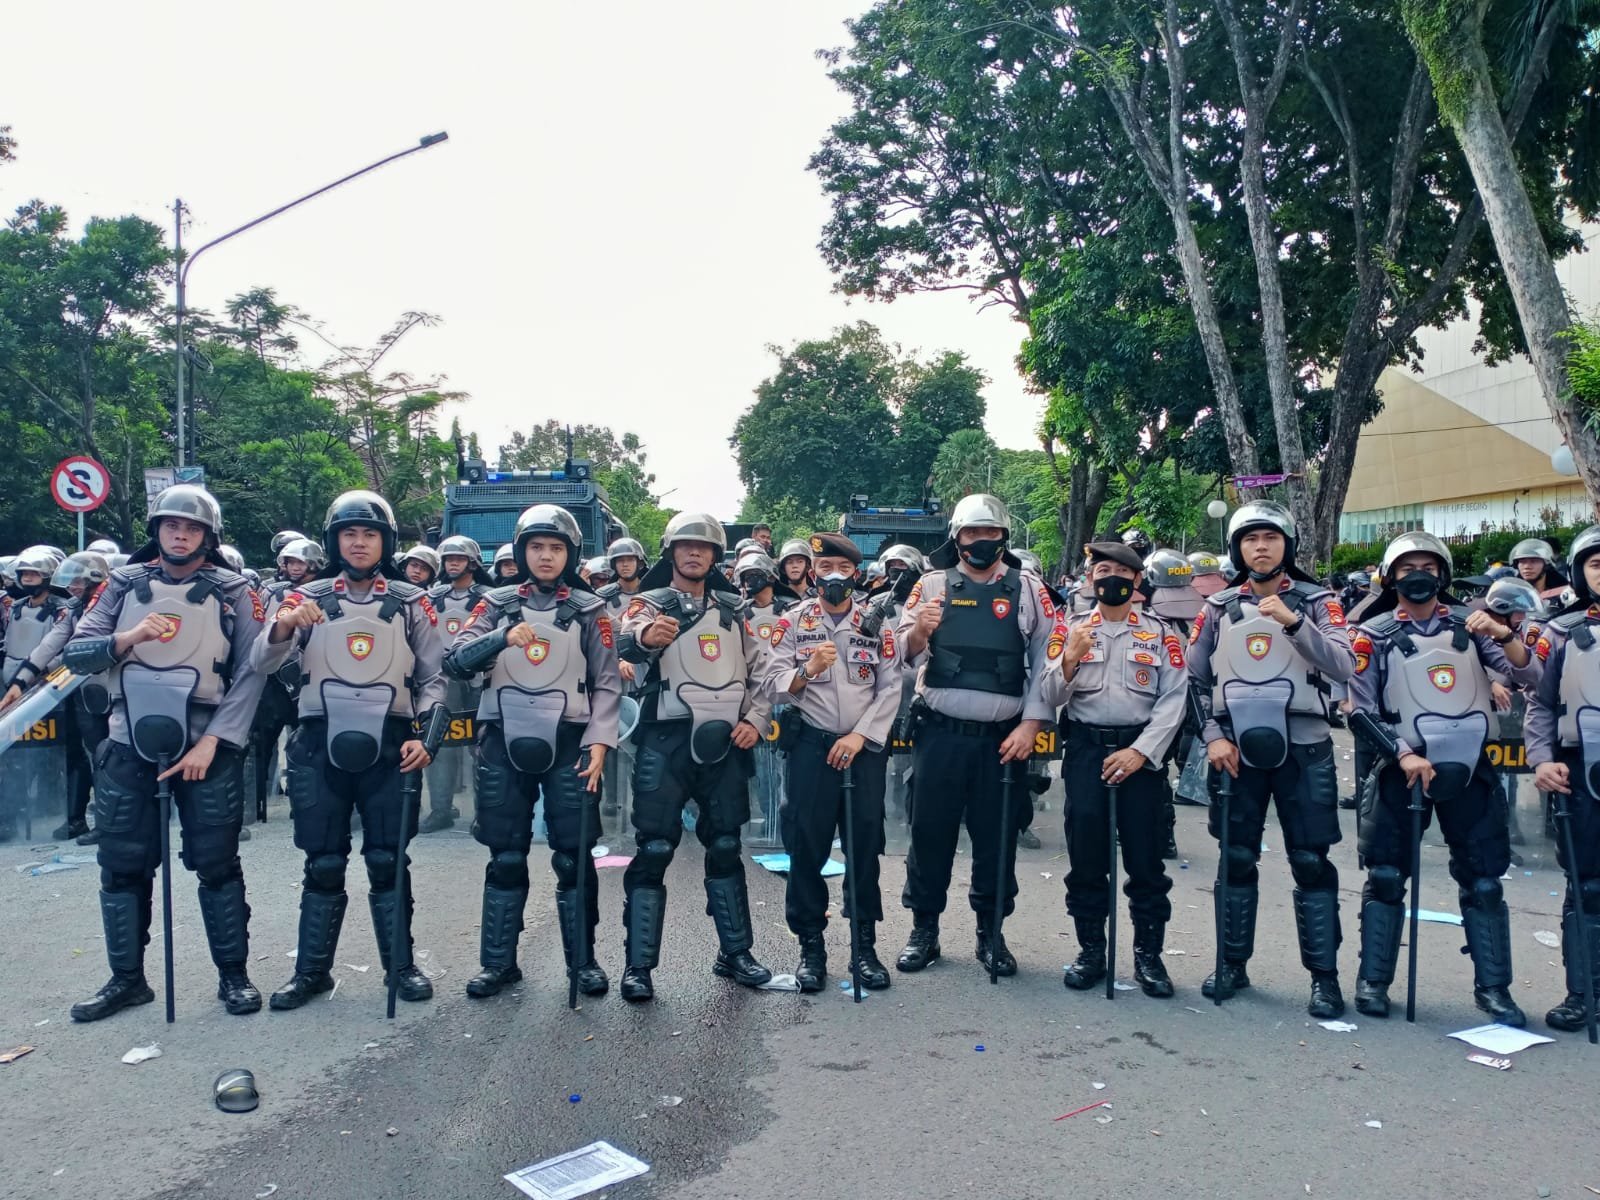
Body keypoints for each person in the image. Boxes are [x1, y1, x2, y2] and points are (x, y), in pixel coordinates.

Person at [61, 485, 267, 1021]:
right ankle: (127, 980)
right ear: (156, 530)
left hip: (206, 744)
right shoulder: (121, 584)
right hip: (129, 740)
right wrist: (127, 637)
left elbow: (253, 672)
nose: (181, 535)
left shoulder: (234, 590)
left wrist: (214, 741)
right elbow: (77, 653)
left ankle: (234, 975)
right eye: (172, 525)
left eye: (192, 527)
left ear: (208, 536)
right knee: (122, 865)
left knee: (217, 864)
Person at [257, 490, 448, 1011]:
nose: (359, 543)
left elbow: (433, 677)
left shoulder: (411, 601)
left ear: (385, 541)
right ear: (333, 540)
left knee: (387, 859)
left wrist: (426, 737)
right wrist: (284, 626)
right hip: (319, 742)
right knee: (323, 862)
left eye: (369, 534)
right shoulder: (305, 598)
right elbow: (261, 662)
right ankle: (311, 972)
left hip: (390, 741)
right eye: (349, 534)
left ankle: (401, 967)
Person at [1348, 531, 1538, 1024]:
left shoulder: (1471, 627)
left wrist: (1504, 635)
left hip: (1470, 767)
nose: (1418, 576)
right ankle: (1373, 981)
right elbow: (1358, 709)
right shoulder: (1374, 633)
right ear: (1390, 577)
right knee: (1386, 876)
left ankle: (1494, 989)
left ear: (1443, 575)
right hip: (1403, 770)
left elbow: (1529, 676)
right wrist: (1402, 754)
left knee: (1485, 882)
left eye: (1429, 568)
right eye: (1407, 568)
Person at [442, 505, 621, 998]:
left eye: (556, 548)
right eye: (537, 547)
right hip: (503, 739)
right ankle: (498, 964)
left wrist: (600, 741)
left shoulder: (590, 609)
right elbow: (455, 660)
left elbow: (608, 682)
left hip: (569, 742)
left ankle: (583, 963)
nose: (546, 556)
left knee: (573, 859)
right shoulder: (494, 604)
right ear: (521, 552)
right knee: (505, 857)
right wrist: (500, 638)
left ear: (570, 554)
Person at [1187, 501, 1355, 1018]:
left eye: (1271, 538)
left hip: (1304, 749)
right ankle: (1232, 963)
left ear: (1288, 545)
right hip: (1236, 749)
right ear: (1237, 548)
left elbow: (1344, 665)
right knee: (1237, 858)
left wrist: (1295, 622)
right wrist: (1212, 737)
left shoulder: (1319, 602)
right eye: (1250, 539)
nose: (1260, 547)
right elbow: (1193, 680)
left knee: (1311, 861)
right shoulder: (1217, 608)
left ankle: (1324, 978)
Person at [893, 494, 1058, 979]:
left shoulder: (1029, 589)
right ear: (957, 537)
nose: (981, 541)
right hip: (939, 734)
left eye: (991, 533)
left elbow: (1048, 658)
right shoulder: (931, 584)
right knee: (929, 834)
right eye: (972, 532)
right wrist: (919, 634)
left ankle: (991, 933)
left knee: (997, 838)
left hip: (1002, 741)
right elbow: (899, 653)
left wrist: (1032, 723)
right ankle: (924, 930)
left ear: (1004, 537)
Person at [615, 513, 774, 1000]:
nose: (694, 553)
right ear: (670, 552)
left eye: (703, 547)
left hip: (724, 741)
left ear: (716, 556)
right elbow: (627, 635)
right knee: (655, 848)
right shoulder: (649, 603)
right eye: (685, 545)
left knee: (725, 844)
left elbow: (763, 672)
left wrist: (756, 720)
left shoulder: (735, 609)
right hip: (665, 739)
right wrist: (645, 638)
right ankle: (638, 965)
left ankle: (735, 953)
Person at [759, 532, 901, 992]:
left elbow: (891, 687)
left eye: (842, 568)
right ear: (812, 572)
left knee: (864, 847)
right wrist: (807, 671)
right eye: (824, 568)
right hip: (811, 748)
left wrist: (860, 736)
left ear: (856, 574)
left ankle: (864, 948)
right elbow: (771, 684)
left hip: (862, 750)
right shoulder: (792, 622)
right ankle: (811, 948)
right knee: (806, 847)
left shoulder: (876, 623)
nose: (833, 576)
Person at [1046, 543, 1188, 997]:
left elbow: (1174, 700)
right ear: (1090, 578)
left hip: (1140, 756)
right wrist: (1070, 658)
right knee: (1086, 857)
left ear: (1137, 581)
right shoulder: (1070, 628)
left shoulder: (1162, 634)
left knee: (1146, 860)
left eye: (1123, 572)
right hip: (1087, 751)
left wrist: (1141, 753)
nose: (1112, 578)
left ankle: (1148, 956)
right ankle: (1091, 951)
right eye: (1102, 569)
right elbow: (1048, 695)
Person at [1524, 524, 1600, 1031]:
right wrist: (1541, 759)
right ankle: (1585, 995)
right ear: (1579, 572)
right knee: (1587, 886)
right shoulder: (1562, 633)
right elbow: (1540, 703)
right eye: (1596, 564)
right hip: (1582, 769)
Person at [1, 551, 109, 843]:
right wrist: (21, 682)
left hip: (109, 691)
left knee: (107, 756)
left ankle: (109, 822)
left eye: (78, 581)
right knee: (90, 752)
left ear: (95, 579)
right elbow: (51, 644)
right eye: (70, 582)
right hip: (75, 689)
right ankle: (97, 821)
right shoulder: (74, 608)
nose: (73, 587)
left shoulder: (114, 603)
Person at [423, 535, 492, 833]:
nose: (453, 563)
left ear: (473, 563)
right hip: (443, 679)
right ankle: (441, 810)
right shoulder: (431, 597)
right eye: (448, 558)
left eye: (459, 558)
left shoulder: (490, 597)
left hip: (479, 680)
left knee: (482, 745)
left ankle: (484, 812)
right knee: (440, 743)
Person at [0, 545, 71, 840]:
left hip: (45, 686)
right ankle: (11, 813)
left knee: (50, 752)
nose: (28, 578)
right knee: (13, 753)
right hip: (11, 683)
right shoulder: (15, 607)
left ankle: (51, 802)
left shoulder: (60, 609)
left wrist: (40, 675)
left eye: (34, 573)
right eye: (24, 573)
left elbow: (59, 649)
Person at [1144, 548, 1207, 860]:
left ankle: (1157, 834)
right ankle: (1164, 837)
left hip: (1160, 700)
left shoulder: (1148, 612)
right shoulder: (1205, 608)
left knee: (1153, 770)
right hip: (1194, 698)